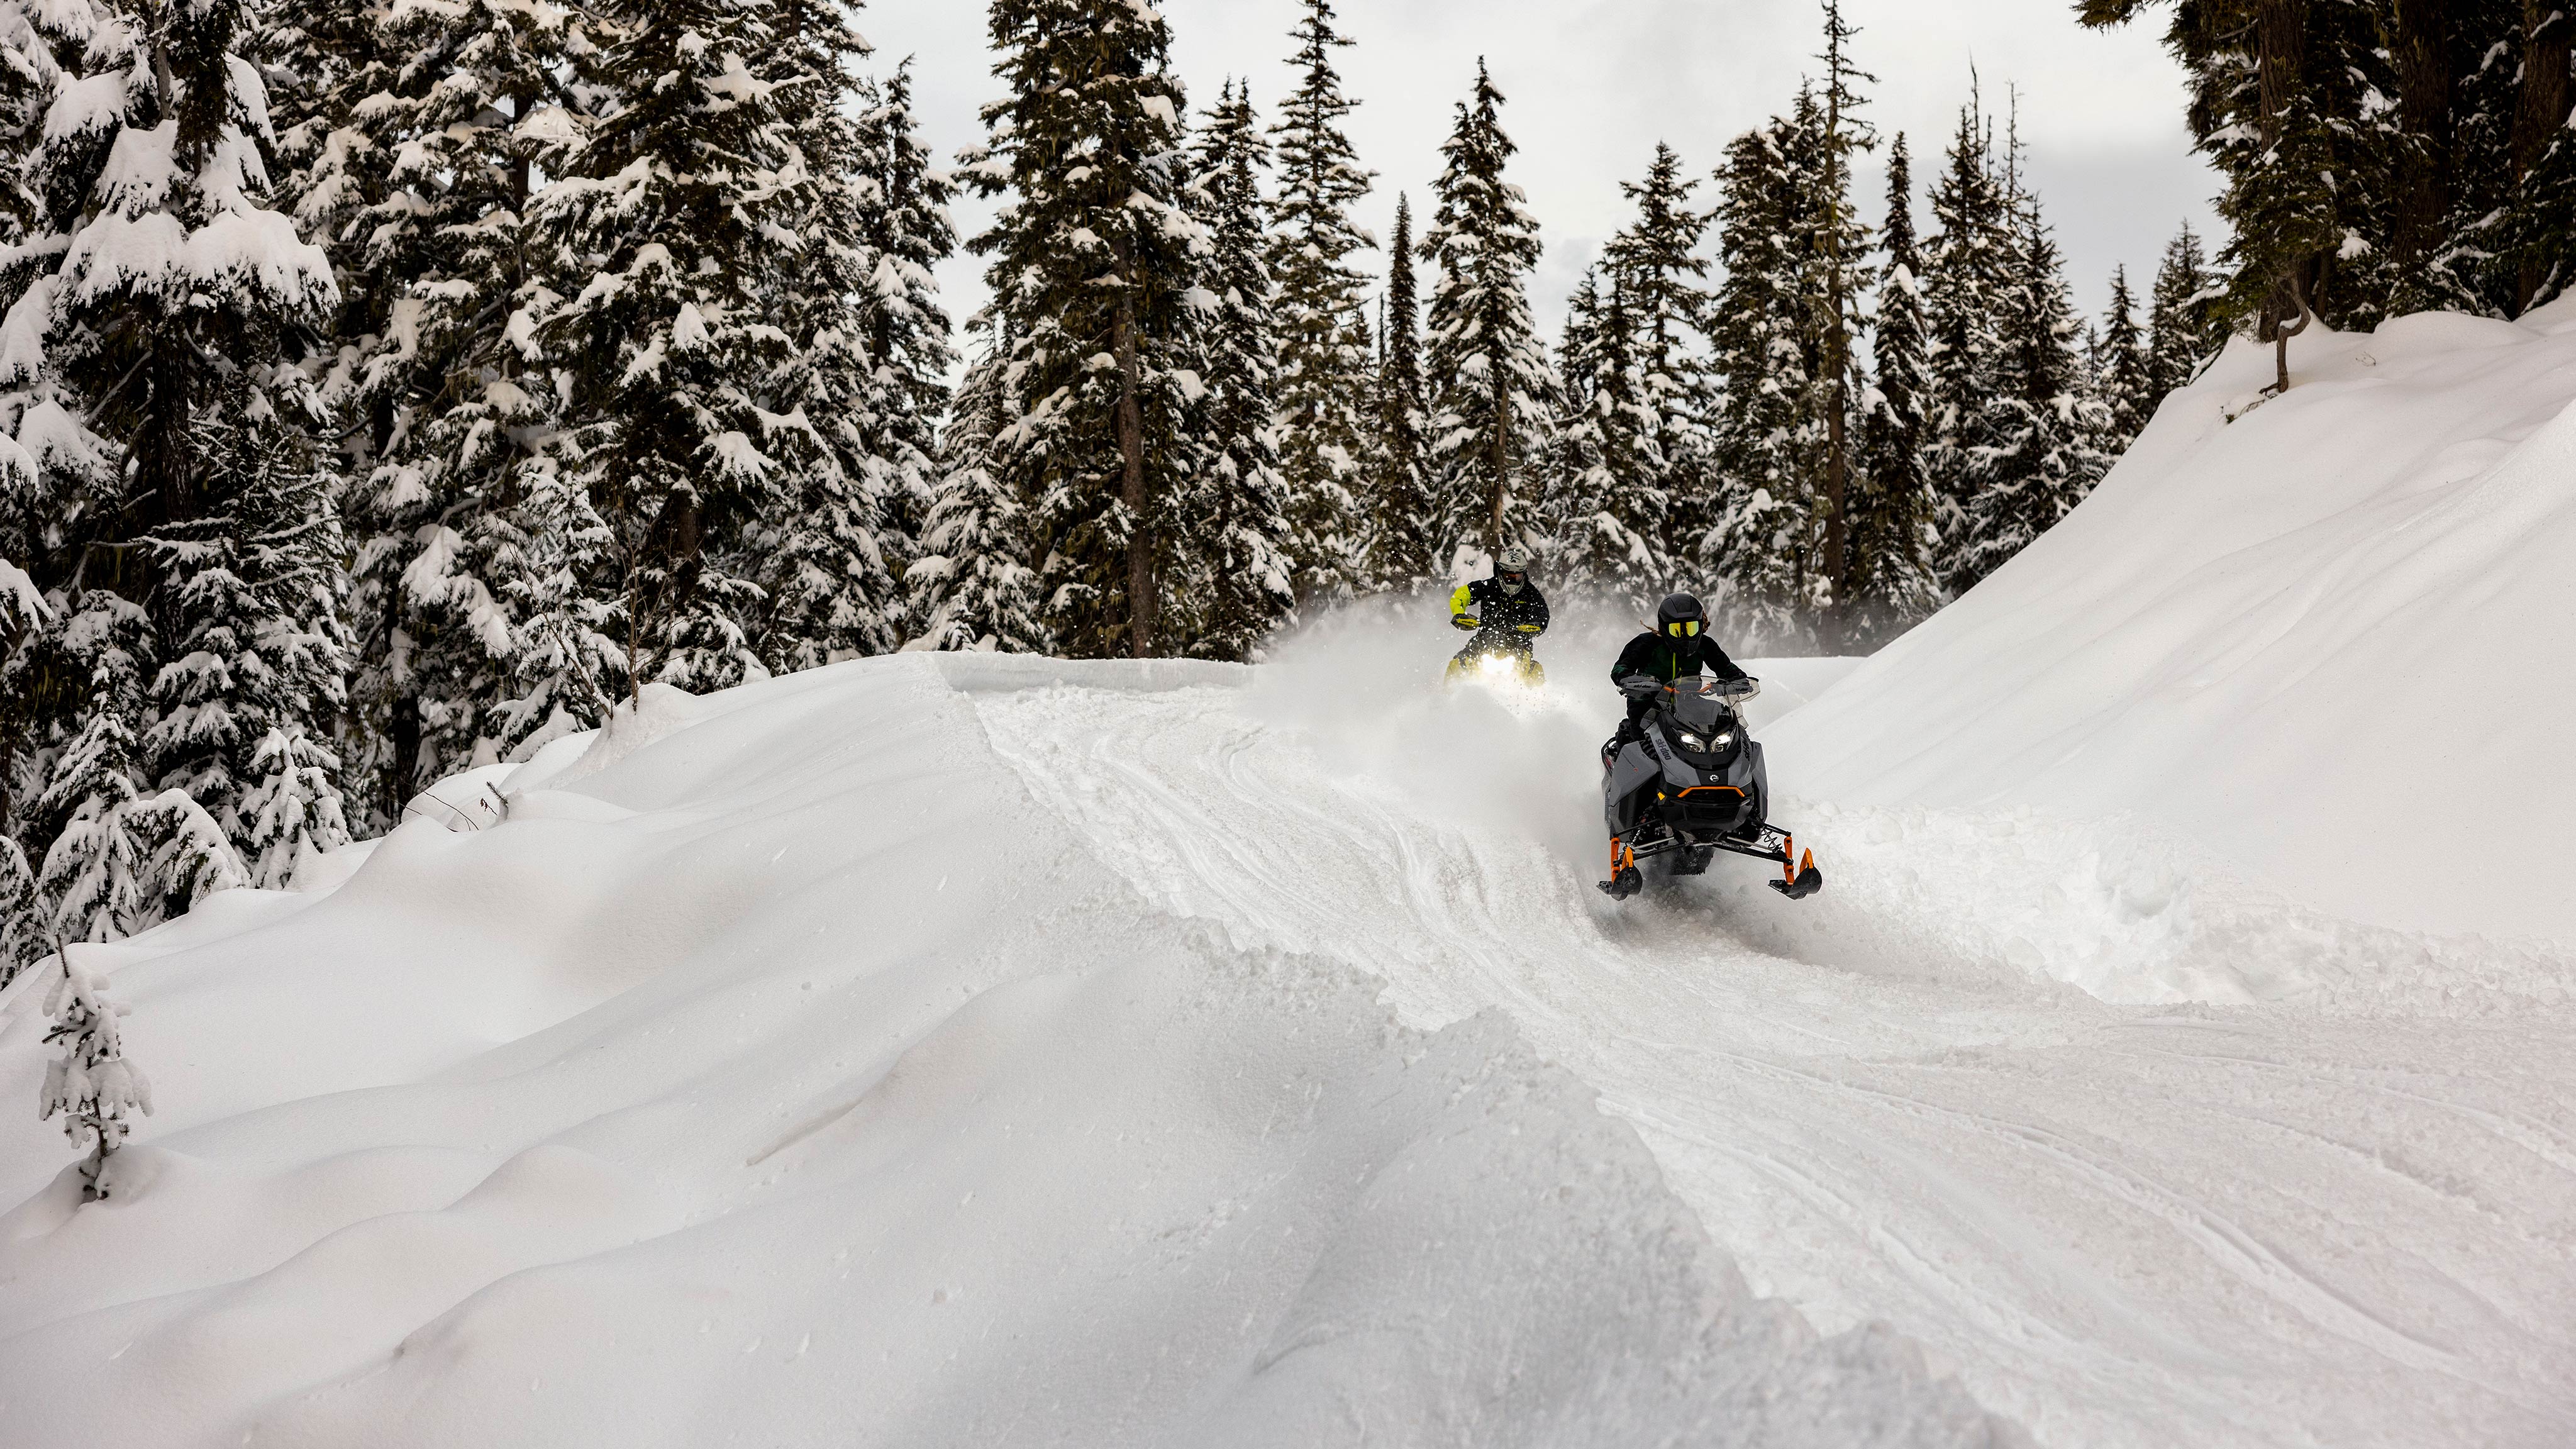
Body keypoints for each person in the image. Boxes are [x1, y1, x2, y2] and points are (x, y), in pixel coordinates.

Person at [1604, 592, 1748, 763]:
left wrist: (1737, 680)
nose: (1685, 636)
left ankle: (1731, 768)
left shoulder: (1706, 645)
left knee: (1725, 722)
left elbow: (1726, 668)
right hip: (1649, 704)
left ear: (1700, 625)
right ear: (1664, 627)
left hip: (1689, 703)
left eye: (1691, 628)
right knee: (1643, 743)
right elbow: (1620, 668)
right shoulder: (1647, 644)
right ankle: (1632, 773)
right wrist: (1632, 681)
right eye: (1677, 630)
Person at [1448, 546, 1550, 679]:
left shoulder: (1531, 593)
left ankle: (1538, 698)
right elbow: (1461, 595)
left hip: (1520, 642)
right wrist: (1459, 613)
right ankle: (1450, 696)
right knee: (1458, 664)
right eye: (1509, 575)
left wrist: (1538, 624)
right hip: (1485, 639)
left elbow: (1542, 612)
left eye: (1517, 576)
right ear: (1500, 572)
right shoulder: (1487, 587)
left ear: (1524, 574)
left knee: (1534, 672)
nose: (1513, 579)